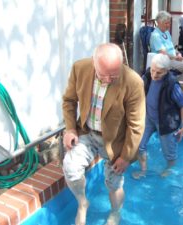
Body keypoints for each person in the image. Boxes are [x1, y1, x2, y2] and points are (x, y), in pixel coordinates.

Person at [62, 43, 145, 225]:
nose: (108, 80)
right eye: (103, 75)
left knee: (113, 184)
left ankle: (115, 212)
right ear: (94, 63)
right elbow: (68, 100)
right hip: (87, 132)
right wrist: (70, 129)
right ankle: (82, 202)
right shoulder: (80, 68)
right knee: (70, 168)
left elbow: (136, 125)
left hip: (116, 142)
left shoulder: (133, 82)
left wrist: (126, 156)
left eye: (114, 75)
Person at [132, 53, 183, 179]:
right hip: (149, 118)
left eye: (159, 73)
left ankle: (170, 168)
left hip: (166, 123)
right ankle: (143, 170)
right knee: (139, 145)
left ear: (167, 71)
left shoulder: (172, 85)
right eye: (153, 70)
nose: (154, 75)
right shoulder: (148, 74)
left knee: (169, 153)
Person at [150, 10, 183, 102]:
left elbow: (172, 48)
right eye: (166, 23)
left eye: (169, 23)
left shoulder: (166, 33)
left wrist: (178, 53)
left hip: (174, 58)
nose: (168, 25)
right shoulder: (155, 35)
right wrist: (176, 58)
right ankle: (180, 93)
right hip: (165, 60)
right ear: (160, 22)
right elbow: (162, 53)